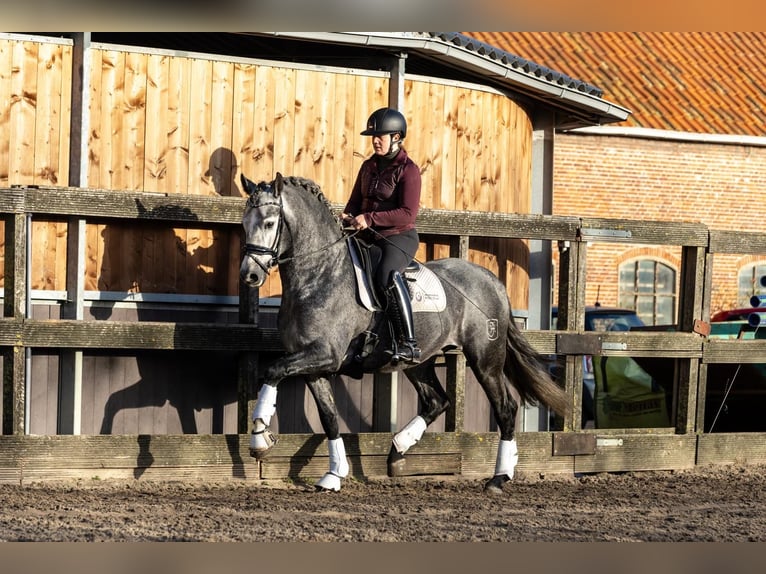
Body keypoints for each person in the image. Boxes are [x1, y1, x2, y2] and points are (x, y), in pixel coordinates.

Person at [342, 107, 422, 364]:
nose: (375, 140)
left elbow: (408, 214)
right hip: (367, 236)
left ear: (396, 137)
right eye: (373, 136)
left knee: (386, 275)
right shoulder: (368, 167)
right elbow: (354, 202)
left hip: (398, 237)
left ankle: (408, 342)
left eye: (381, 136)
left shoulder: (409, 170)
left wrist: (370, 218)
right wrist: (348, 216)